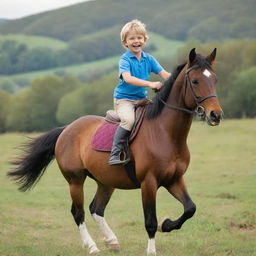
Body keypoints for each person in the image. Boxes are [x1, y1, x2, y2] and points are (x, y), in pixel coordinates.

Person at [109, 19, 171, 165]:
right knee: (129, 120)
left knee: (158, 117)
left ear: (144, 40)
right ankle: (115, 153)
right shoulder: (124, 60)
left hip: (142, 99)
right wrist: (150, 83)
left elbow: (165, 74)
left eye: (139, 38)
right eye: (132, 38)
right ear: (125, 42)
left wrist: (181, 79)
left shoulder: (149, 59)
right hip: (124, 100)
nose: (136, 41)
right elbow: (128, 78)